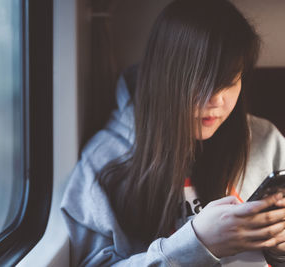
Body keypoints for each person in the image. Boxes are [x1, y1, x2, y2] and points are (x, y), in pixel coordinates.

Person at [61, 0, 285, 266]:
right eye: (200, 82)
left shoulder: (265, 140)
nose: (216, 100)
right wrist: (197, 244)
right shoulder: (105, 160)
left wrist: (278, 248)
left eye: (228, 82)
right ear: (166, 78)